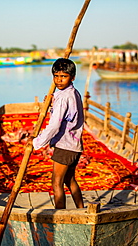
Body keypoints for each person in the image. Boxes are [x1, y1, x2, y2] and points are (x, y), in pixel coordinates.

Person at [30, 58, 84, 209]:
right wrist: (53, 103)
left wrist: (37, 142)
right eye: (56, 76)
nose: (59, 80)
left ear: (72, 77)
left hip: (65, 146)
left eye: (64, 76)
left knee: (56, 182)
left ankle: (59, 215)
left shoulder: (64, 97)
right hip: (75, 144)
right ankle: (81, 209)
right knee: (69, 180)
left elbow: (54, 126)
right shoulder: (72, 92)